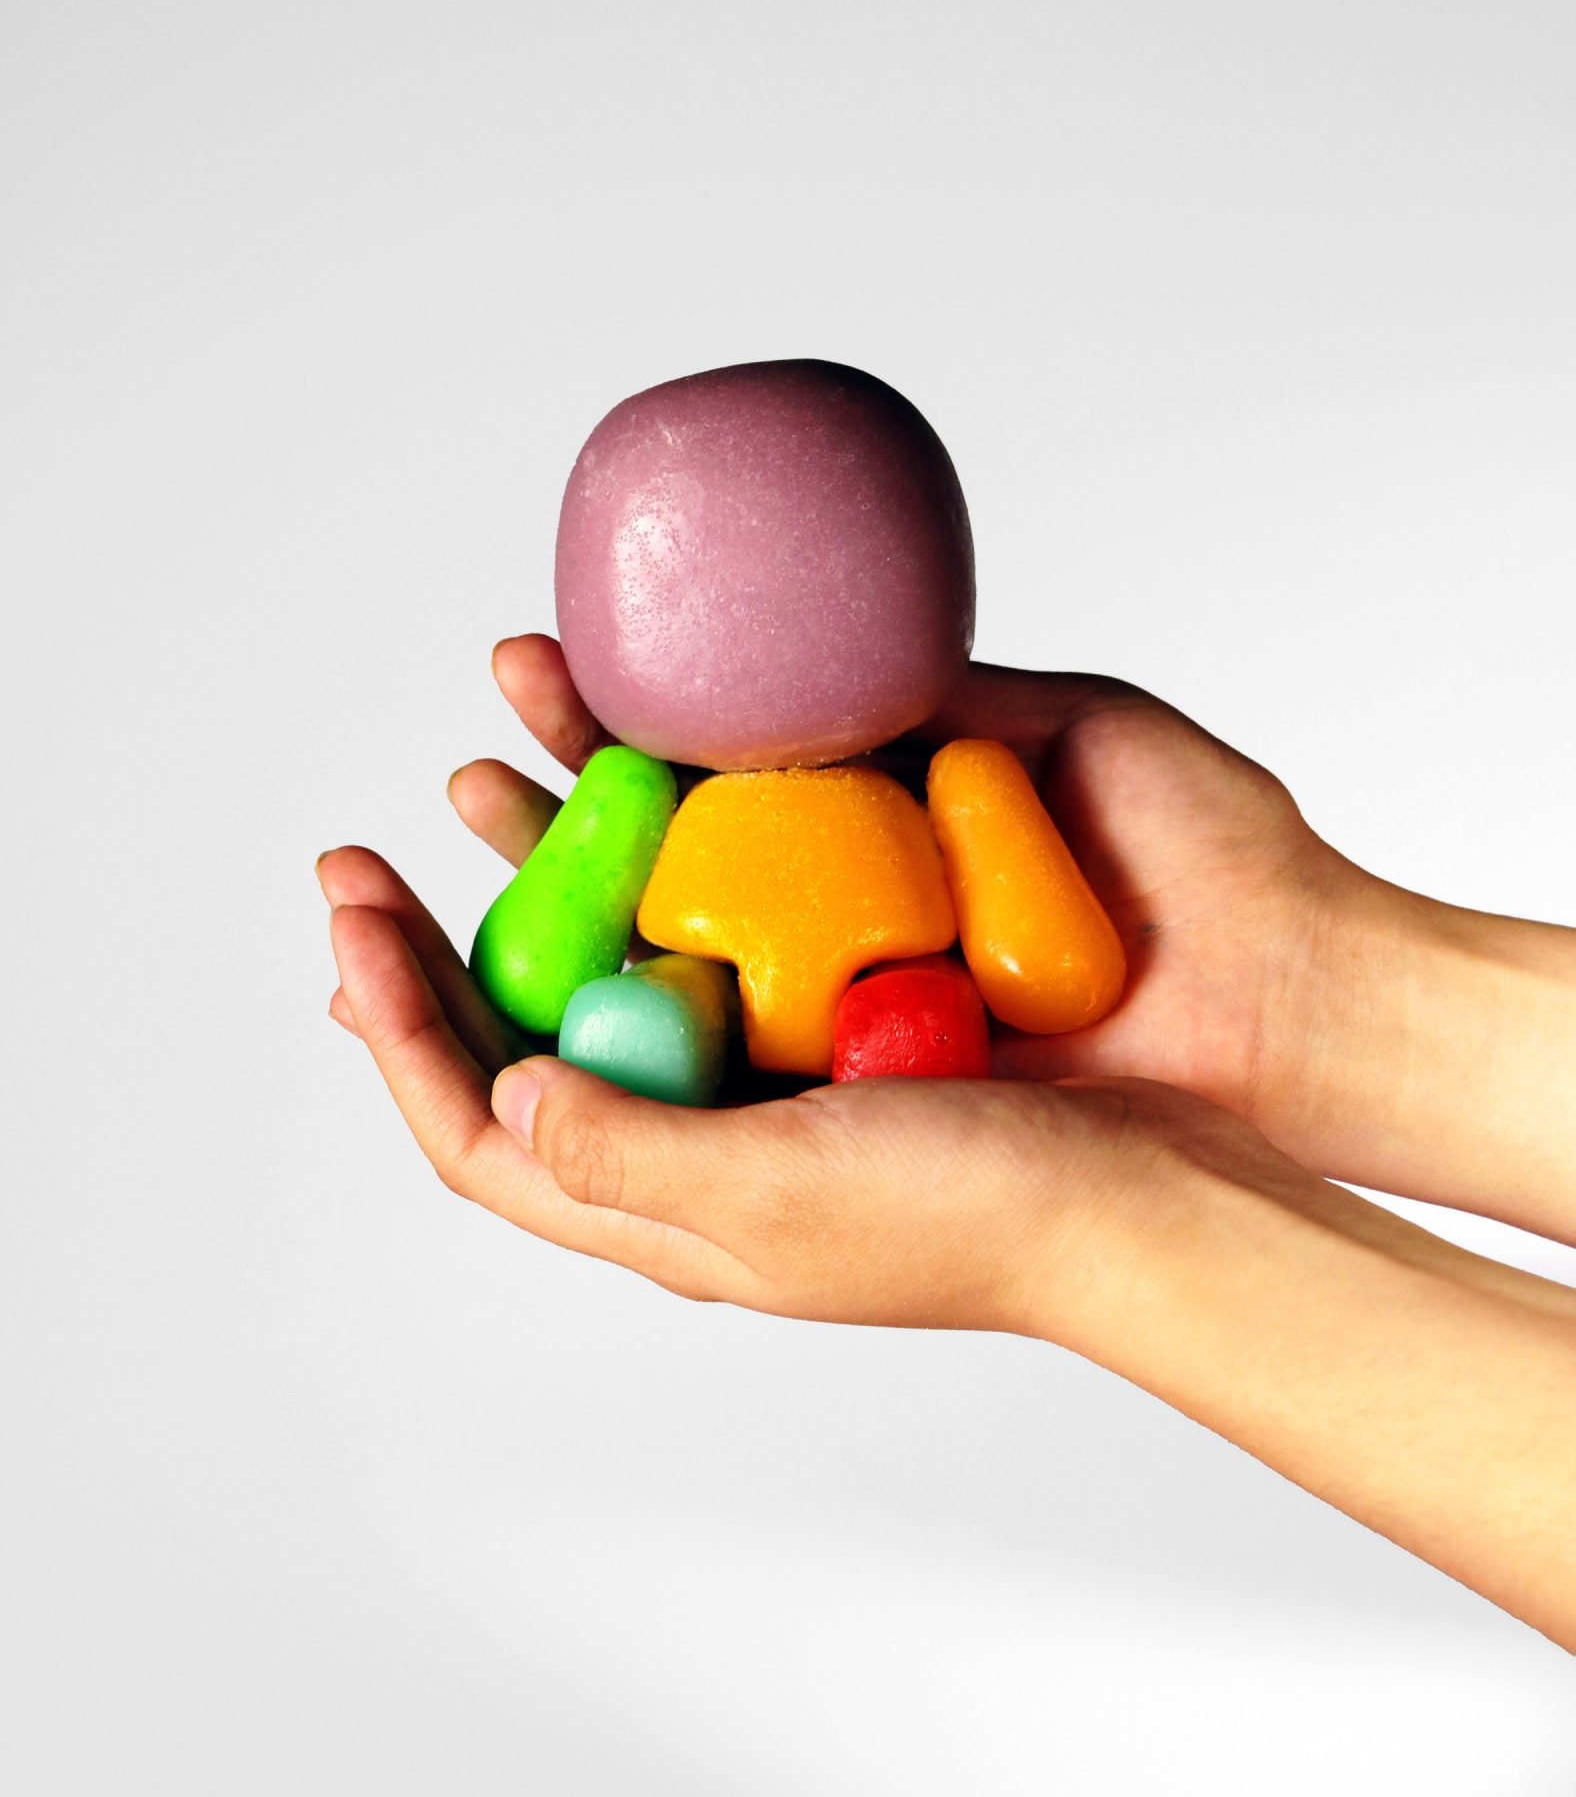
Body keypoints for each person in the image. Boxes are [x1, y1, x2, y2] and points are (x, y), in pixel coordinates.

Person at [319, 634, 1576, 1651]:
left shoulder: (937, 780)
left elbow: (1048, 958)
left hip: (900, 975)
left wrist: (1078, 1221)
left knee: (910, 1021)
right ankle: (683, 1018)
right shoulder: (644, 787)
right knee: (633, 1017)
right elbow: (547, 949)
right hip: (691, 959)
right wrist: (1320, 998)